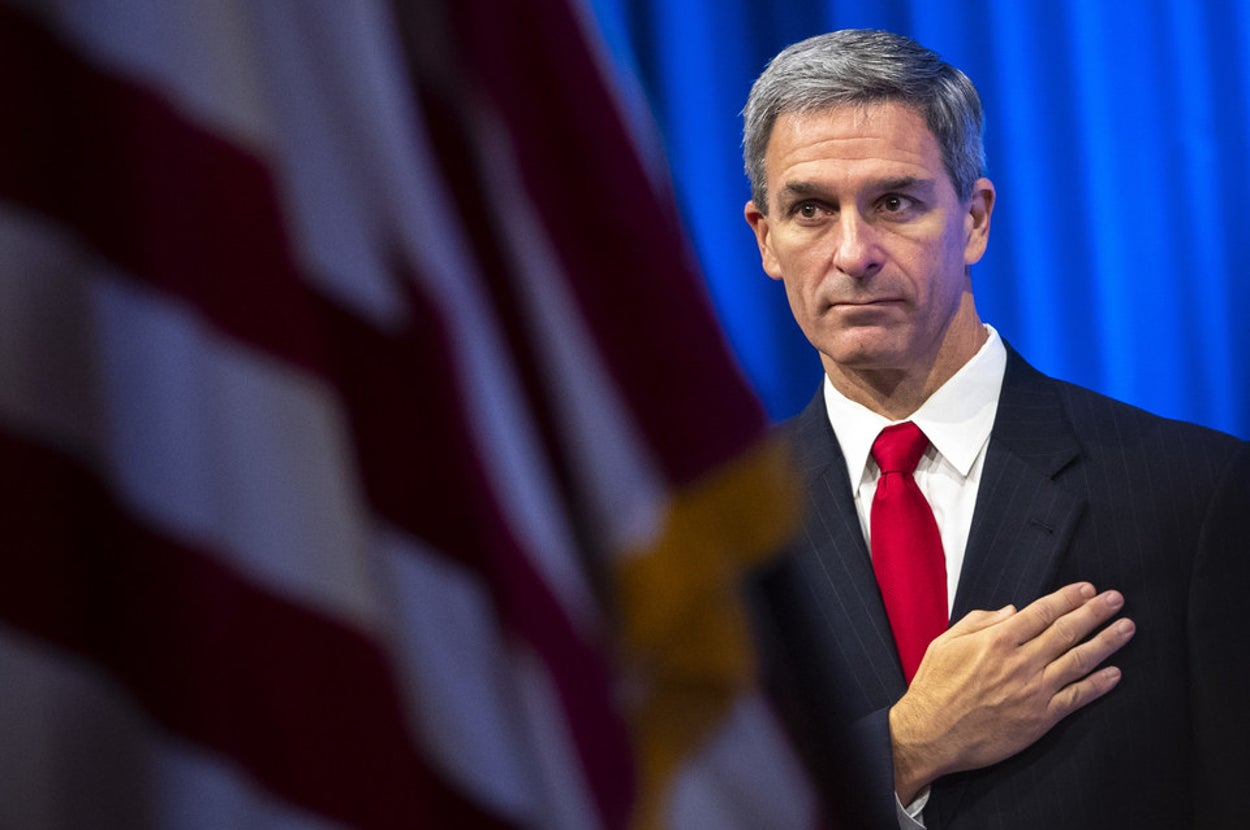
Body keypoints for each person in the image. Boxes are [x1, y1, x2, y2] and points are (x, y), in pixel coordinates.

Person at [739, 29, 1250, 829]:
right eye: (810, 210)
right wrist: (909, 744)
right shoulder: (718, 533)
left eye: (894, 203)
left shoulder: (1195, 493)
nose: (853, 253)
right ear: (766, 238)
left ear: (975, 219)